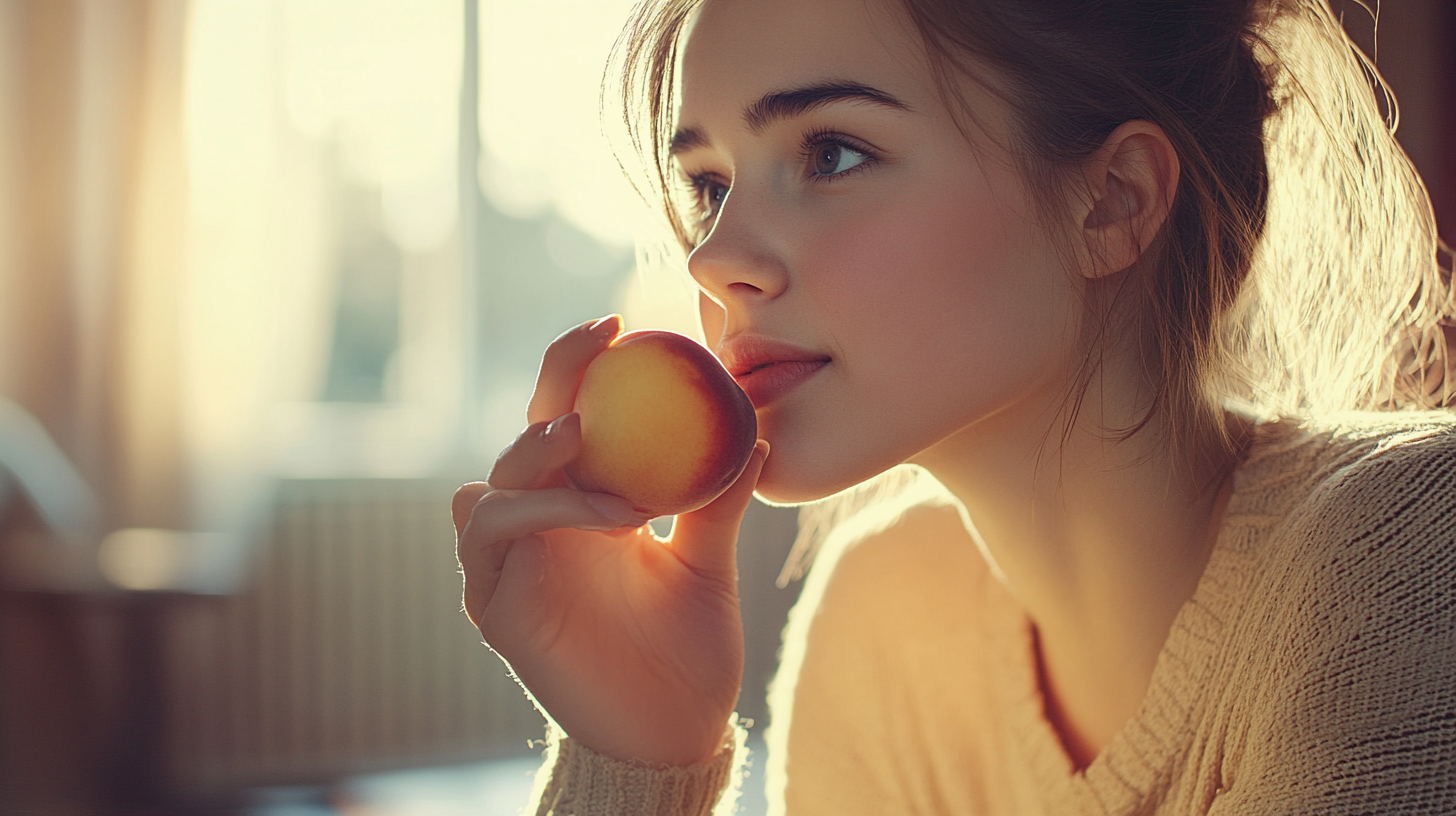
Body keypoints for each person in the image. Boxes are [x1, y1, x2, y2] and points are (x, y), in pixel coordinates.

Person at [452, 0, 1456, 812]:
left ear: (1111, 201)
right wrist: (635, 763)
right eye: (709, 185)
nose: (713, 261)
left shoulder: (1409, 551)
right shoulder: (880, 623)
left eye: (831, 152)